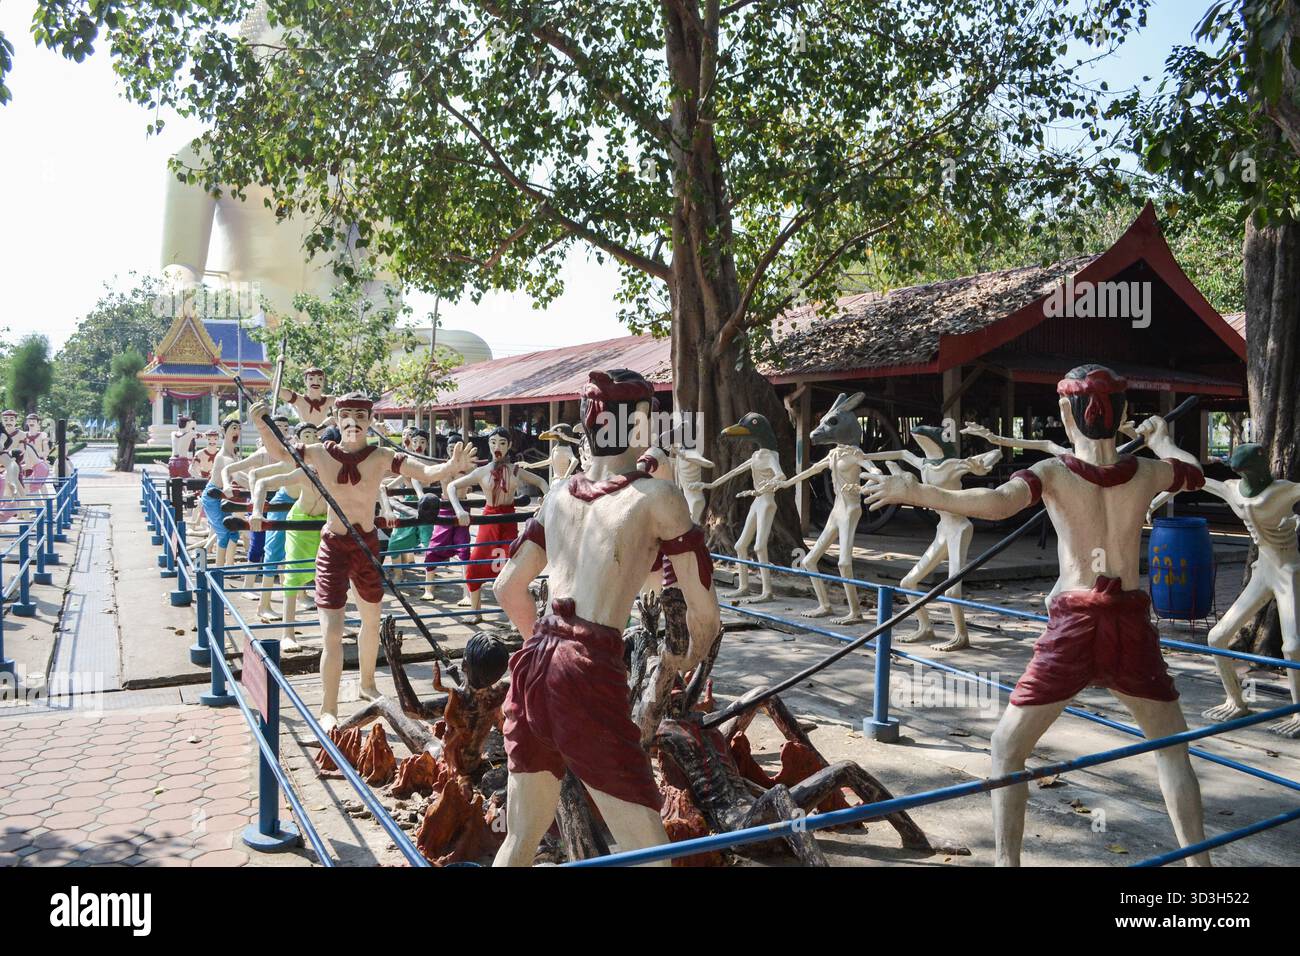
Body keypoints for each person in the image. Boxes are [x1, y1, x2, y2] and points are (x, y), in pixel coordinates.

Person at [862, 365, 1210, 866]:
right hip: (1130, 621)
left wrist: (918, 493)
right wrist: (1162, 441)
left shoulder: (1053, 473)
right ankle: (1202, 869)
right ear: (1126, 414)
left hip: (1075, 625)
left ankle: (1008, 865)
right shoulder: (1149, 472)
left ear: (1066, 414)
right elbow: (1192, 472)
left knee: (1007, 749)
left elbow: (997, 503)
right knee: (1173, 748)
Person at [491, 369, 721, 867]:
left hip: (533, 662)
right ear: (638, 422)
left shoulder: (556, 495)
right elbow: (704, 611)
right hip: (588, 666)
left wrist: (546, 651)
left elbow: (507, 587)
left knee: (521, 837)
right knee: (649, 847)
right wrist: (686, 661)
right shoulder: (659, 498)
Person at [247, 392, 474, 728]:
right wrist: (262, 425)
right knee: (332, 633)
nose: (353, 422)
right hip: (333, 548)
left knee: (371, 622)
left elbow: (425, 472)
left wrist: (450, 468)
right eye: (347, 416)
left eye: (360, 416)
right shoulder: (320, 454)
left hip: (366, 545)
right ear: (337, 421)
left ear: (369, 421)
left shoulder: (381, 456)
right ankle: (328, 709)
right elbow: (281, 454)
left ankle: (367, 683)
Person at [448, 426, 550, 623]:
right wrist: (459, 510)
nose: (497, 446)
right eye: (493, 442)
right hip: (488, 521)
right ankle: (475, 612)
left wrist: (545, 504)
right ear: (488, 444)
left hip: (509, 520)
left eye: (502, 443)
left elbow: (542, 483)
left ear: (509, 446)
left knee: (513, 568)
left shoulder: (516, 470)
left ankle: (515, 618)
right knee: (475, 566)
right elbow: (452, 486)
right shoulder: (481, 472)